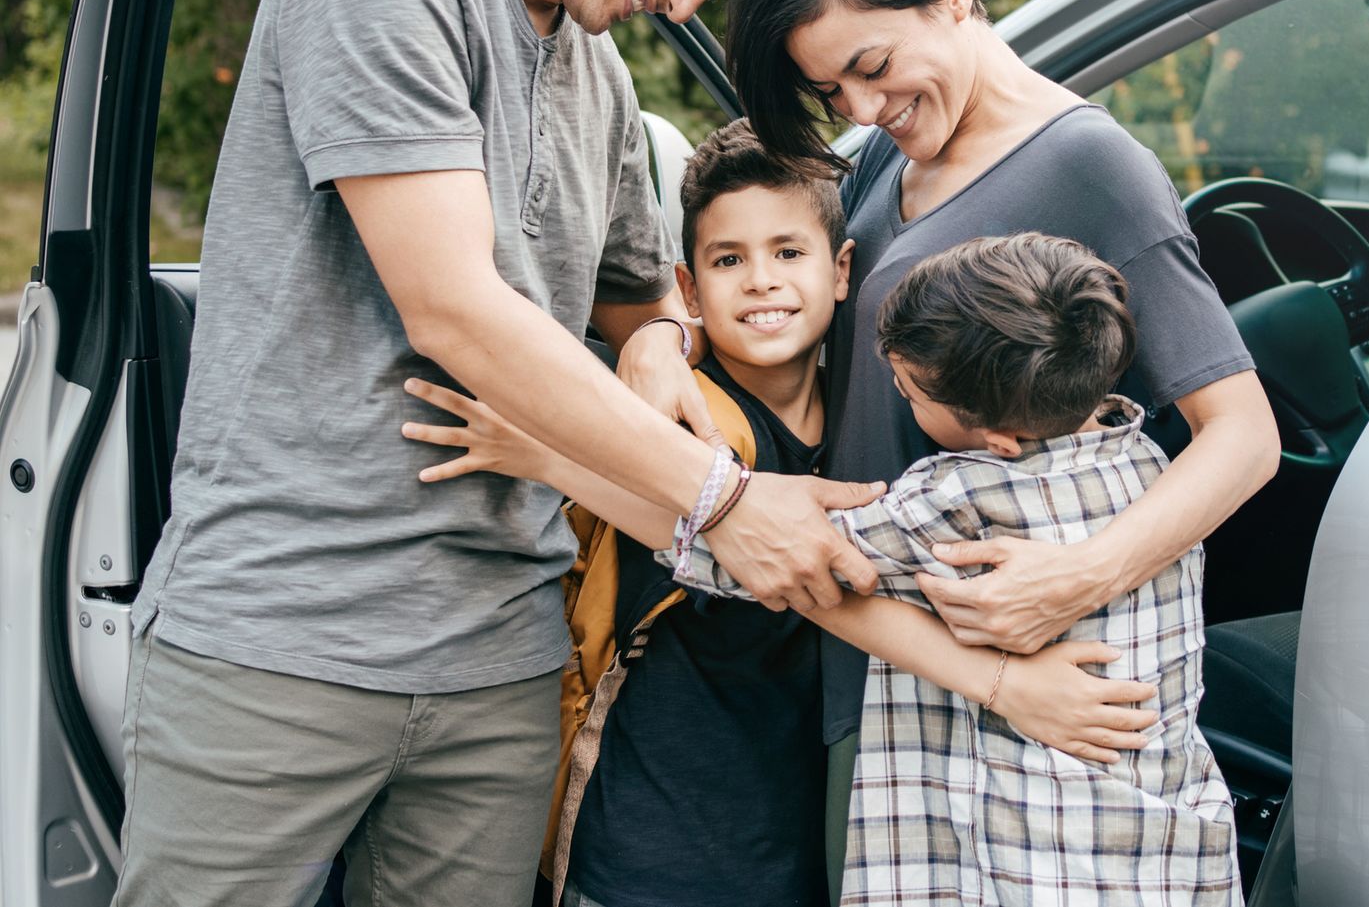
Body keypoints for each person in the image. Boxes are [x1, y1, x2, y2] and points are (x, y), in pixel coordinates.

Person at [114, 0, 878, 907]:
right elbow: (456, 308)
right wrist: (718, 502)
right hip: (284, 635)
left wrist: (656, 341)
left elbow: (646, 291)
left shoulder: (603, 76)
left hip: (505, 659)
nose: (681, 1)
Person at [706, 0, 1283, 892]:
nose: (863, 102)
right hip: (874, 651)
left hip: (1004, 693)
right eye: (832, 86)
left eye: (875, 66)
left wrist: (1081, 575)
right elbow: (754, 262)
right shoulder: (892, 153)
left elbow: (1242, 435)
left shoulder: (1089, 168)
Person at [405, 122, 1162, 907]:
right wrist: (551, 451)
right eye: (729, 260)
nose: (761, 280)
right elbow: (768, 563)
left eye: (788, 252)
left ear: (842, 270)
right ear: (690, 289)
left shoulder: (877, 412)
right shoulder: (678, 425)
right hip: (657, 839)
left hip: (808, 829)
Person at [671, 232, 1242, 904]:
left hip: (1029, 867)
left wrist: (565, 460)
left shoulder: (962, 496)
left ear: (999, 440)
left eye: (910, 392)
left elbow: (756, 553)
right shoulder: (1153, 468)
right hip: (1162, 850)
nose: (898, 391)